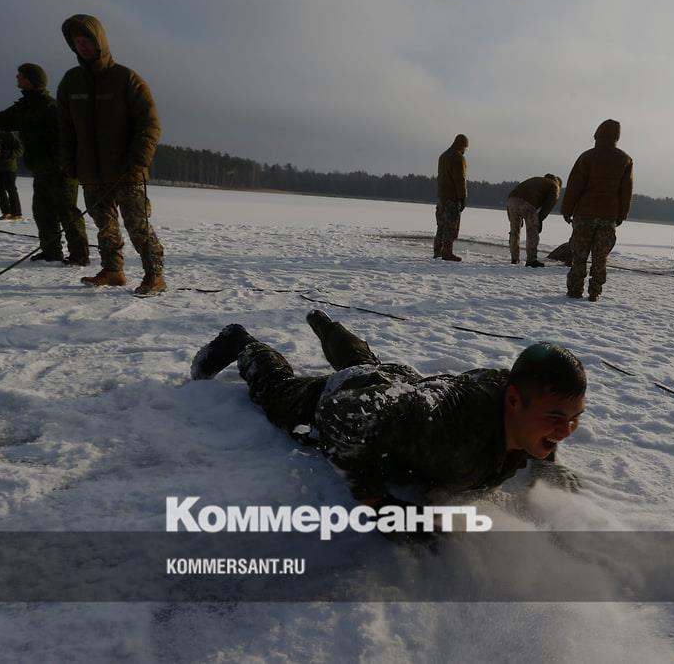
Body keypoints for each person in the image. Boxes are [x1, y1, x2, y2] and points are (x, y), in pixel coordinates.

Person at [189, 311, 586, 516]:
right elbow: (347, 414)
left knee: (376, 370)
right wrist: (375, 500)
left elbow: (542, 417)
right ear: (515, 401)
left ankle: (331, 330)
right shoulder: (444, 424)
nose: (566, 430)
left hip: (401, 383)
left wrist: (547, 460)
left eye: (574, 417)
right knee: (278, 396)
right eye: (556, 417)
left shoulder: (521, 407)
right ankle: (241, 342)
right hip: (350, 396)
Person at [57, 14, 165, 295]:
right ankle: (113, 271)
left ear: (99, 41)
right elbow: (65, 127)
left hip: (127, 172)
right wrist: (69, 161)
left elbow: (150, 125)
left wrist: (138, 161)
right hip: (91, 172)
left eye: (87, 40)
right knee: (105, 227)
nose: (82, 46)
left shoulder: (126, 79)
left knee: (138, 227)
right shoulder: (71, 82)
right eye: (77, 42)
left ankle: (154, 276)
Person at [0, 63, 90, 265]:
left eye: (21, 75)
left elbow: (68, 139)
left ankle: (79, 256)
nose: (17, 78)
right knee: (42, 213)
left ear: (31, 80)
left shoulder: (51, 108)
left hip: (61, 171)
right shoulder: (25, 107)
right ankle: (51, 252)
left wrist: (59, 162)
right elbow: (1, 120)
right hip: (41, 171)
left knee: (68, 212)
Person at [561, 119, 633, 301]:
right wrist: (622, 214)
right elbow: (626, 191)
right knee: (601, 256)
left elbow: (574, 185)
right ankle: (595, 292)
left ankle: (575, 290)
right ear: (617, 137)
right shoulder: (625, 159)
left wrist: (567, 209)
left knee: (579, 254)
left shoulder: (587, 156)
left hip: (584, 213)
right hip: (608, 215)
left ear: (597, 134)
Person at [506, 173, 561, 267]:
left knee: (514, 232)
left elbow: (516, 195)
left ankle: (514, 259)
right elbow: (549, 205)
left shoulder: (538, 180)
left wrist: (511, 217)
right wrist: (539, 220)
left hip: (511, 200)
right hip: (527, 203)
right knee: (532, 232)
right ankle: (531, 260)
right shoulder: (554, 186)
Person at [434, 134, 468, 262]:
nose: (466, 151)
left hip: (441, 197)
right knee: (451, 225)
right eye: (466, 148)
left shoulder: (443, 156)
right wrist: (463, 197)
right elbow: (460, 180)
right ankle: (447, 253)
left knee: (441, 225)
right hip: (452, 198)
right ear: (463, 145)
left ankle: (437, 250)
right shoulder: (458, 158)